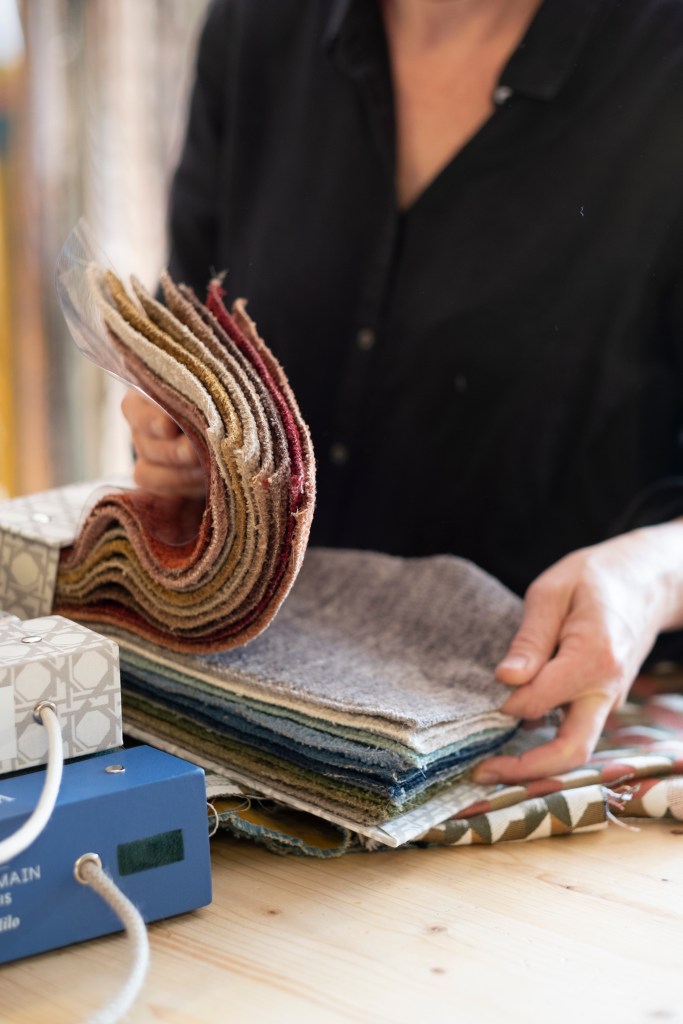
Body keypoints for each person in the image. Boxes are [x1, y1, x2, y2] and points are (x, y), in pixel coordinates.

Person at [122, 0, 683, 785]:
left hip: (558, 733)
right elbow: (185, 344)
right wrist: (175, 442)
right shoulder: (256, 27)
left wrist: (653, 576)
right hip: (255, 724)